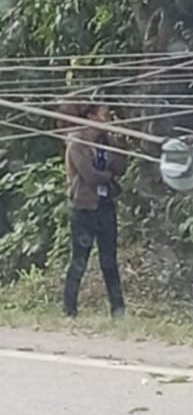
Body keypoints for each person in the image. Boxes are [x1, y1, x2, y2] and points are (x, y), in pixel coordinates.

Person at [62, 101, 127, 319]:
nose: (107, 121)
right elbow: (89, 176)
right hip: (84, 207)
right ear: (90, 117)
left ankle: (118, 310)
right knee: (79, 260)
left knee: (109, 259)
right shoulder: (77, 143)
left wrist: (115, 145)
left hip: (105, 205)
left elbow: (121, 167)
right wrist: (108, 176)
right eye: (103, 116)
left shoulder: (106, 142)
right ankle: (69, 309)